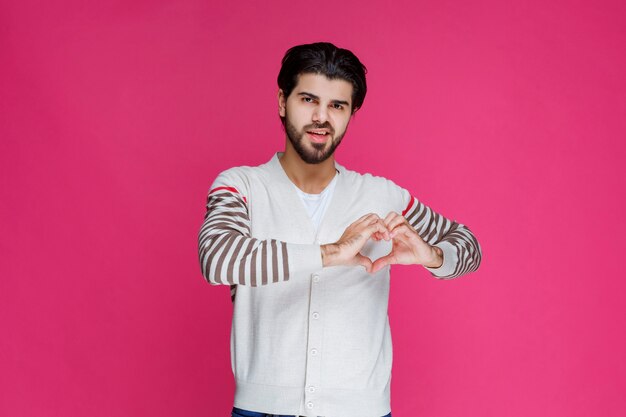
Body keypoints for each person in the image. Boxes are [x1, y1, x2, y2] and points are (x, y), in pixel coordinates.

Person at [198, 42, 482, 417]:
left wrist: (432, 255)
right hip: (262, 409)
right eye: (308, 100)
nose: (321, 117)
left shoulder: (382, 195)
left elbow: (469, 247)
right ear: (283, 101)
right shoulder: (242, 187)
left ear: (351, 114)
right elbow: (217, 257)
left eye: (337, 106)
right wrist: (332, 252)